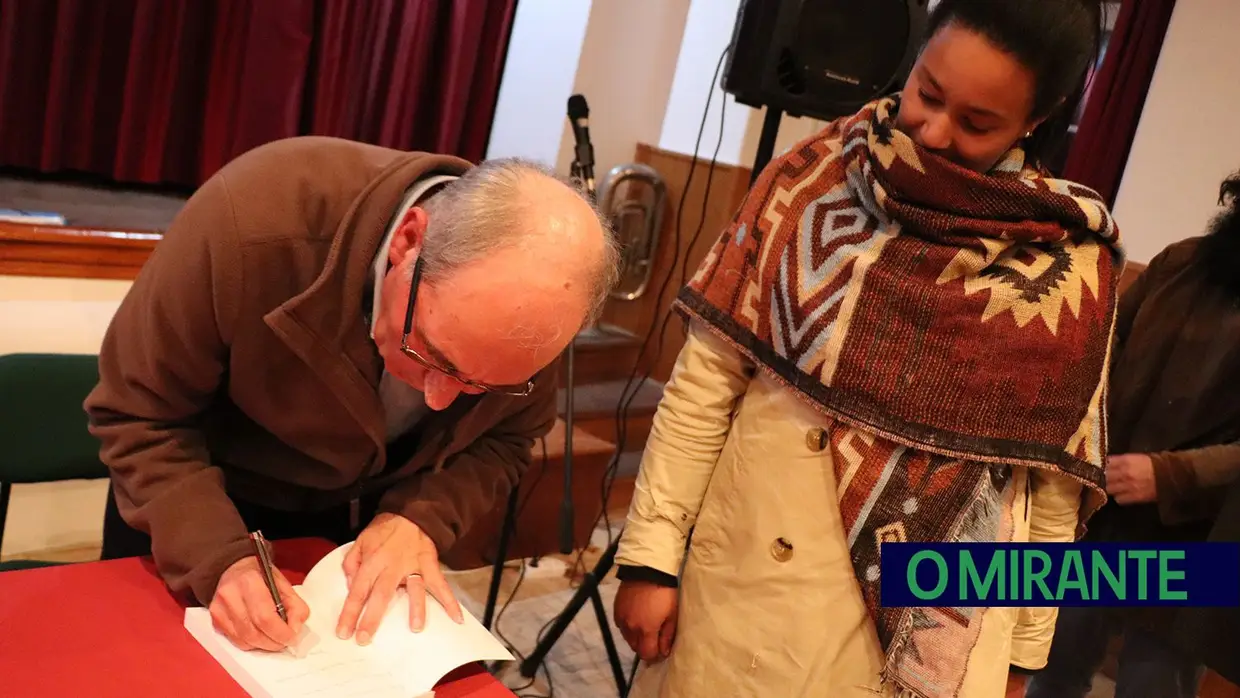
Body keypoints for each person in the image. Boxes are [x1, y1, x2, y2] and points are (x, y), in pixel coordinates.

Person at [612, 2, 1118, 697]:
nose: (933, 133)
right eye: (927, 92)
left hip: (932, 631)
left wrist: (1024, 658)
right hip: (743, 586)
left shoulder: (1070, 263)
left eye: (975, 124)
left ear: (1036, 119)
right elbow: (706, 381)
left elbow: (1049, 490)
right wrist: (651, 559)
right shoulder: (811, 178)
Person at [84, 137, 618, 654]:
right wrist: (216, 554)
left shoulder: (533, 326)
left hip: (347, 533)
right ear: (409, 241)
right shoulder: (254, 221)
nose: (440, 401)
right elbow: (138, 414)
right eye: (433, 354)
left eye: (482, 384)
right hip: (191, 504)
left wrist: (420, 518)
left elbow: (507, 438)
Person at [1027, 172, 1240, 697]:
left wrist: (1168, 475)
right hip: (1103, 507)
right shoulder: (1184, 261)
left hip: (1201, 535)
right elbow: (1104, 346)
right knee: (1052, 664)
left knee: (1153, 685)